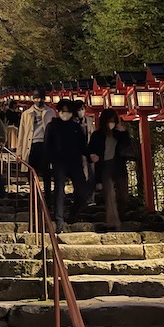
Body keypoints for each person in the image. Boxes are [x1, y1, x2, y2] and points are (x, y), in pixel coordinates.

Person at [44, 99, 92, 232]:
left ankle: (73, 214)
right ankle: (59, 218)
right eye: (62, 111)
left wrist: (89, 156)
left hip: (75, 162)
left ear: (72, 113)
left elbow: (83, 146)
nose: (65, 114)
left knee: (83, 191)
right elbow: (47, 145)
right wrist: (48, 162)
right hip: (59, 162)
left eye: (67, 111)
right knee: (59, 189)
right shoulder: (52, 126)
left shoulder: (76, 127)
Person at [88, 108, 133, 228]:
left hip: (119, 166)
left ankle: (120, 217)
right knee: (109, 195)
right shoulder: (97, 135)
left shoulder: (121, 134)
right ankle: (113, 222)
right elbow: (90, 150)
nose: (111, 124)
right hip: (104, 166)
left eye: (113, 121)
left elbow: (128, 146)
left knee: (123, 195)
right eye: (109, 121)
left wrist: (122, 132)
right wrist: (92, 156)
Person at [17, 89, 55, 203]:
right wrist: (19, 152)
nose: (38, 100)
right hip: (31, 144)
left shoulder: (50, 112)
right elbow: (22, 133)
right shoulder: (26, 114)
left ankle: (47, 196)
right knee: (31, 171)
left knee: (46, 172)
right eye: (36, 98)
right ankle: (34, 193)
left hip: (45, 144)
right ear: (33, 99)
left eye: (40, 98)